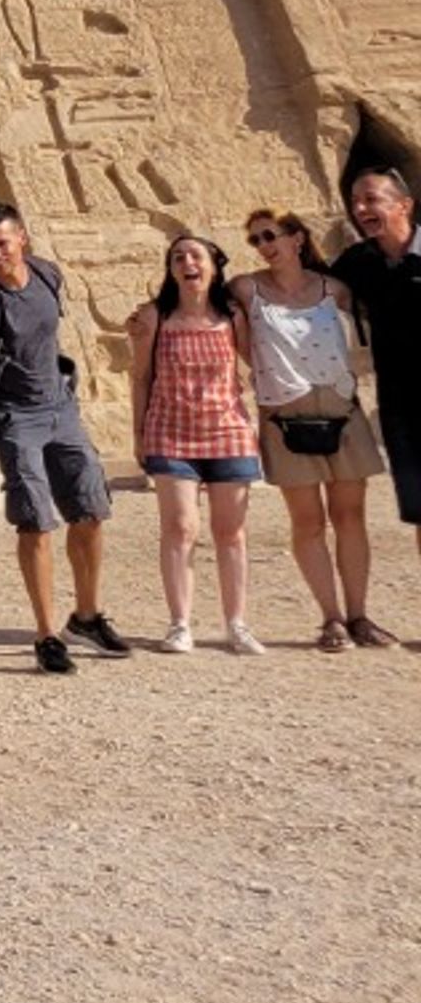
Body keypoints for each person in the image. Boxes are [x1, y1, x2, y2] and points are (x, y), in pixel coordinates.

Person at [0, 199, 126, 671]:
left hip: (61, 407)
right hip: (15, 418)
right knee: (36, 522)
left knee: (91, 510)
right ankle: (46, 634)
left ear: (22, 238)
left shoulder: (46, 274)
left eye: (1, 243)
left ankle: (87, 614)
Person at [245, 209, 389, 648]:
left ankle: (360, 615)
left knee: (350, 516)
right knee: (308, 521)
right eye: (255, 240)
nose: (264, 246)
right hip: (286, 416)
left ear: (296, 239)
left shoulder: (336, 290)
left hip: (340, 407)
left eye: (269, 235)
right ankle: (331, 619)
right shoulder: (248, 289)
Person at [127, 230, 264, 656]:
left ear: (214, 264)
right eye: (177, 258)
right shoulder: (156, 317)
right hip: (171, 430)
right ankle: (180, 623)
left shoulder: (232, 317)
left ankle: (236, 623)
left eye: (195, 256)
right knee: (180, 527)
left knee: (231, 532)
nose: (187, 263)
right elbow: (142, 375)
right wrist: (138, 432)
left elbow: (259, 363)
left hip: (228, 431)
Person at [327, 165, 421, 587]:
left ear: (404, 205)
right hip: (404, 408)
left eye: (371, 199)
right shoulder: (359, 263)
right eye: (355, 201)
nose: (360, 208)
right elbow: (307, 287)